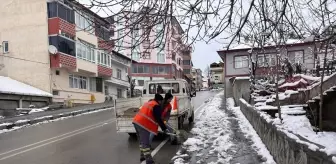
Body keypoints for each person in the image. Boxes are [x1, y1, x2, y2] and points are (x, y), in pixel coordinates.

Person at [132, 94, 171, 164]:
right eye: (161, 101)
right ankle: (149, 160)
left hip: (136, 122)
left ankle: (142, 156)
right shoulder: (156, 106)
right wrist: (164, 129)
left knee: (142, 142)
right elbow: (158, 119)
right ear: (159, 101)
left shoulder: (149, 103)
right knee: (145, 143)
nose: (162, 103)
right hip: (143, 124)